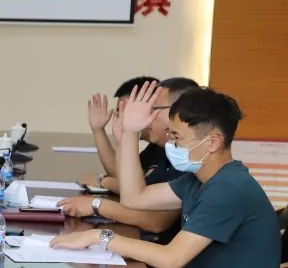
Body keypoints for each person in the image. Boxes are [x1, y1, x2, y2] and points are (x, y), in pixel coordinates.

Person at [52, 84, 282, 268]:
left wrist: (98, 236)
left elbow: (170, 259)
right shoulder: (197, 179)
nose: (171, 144)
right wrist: (130, 132)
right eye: (170, 135)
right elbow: (134, 198)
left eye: (177, 137)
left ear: (213, 142)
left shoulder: (228, 189)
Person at [61, 77, 199, 235]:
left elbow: (155, 220)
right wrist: (123, 138)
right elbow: (130, 189)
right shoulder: (164, 148)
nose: (146, 115)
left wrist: (97, 201)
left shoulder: (188, 158)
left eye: (153, 108)